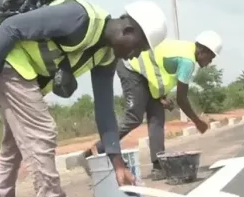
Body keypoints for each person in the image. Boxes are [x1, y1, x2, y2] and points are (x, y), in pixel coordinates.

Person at [0, 0, 167, 197]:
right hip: (4, 60)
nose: (134, 56)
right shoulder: (79, 17)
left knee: (15, 145)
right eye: (138, 47)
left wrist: (117, 164)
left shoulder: (105, 55)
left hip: (18, 70)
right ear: (127, 29)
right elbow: (11, 27)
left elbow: (104, 111)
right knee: (41, 132)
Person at [92, 31, 222, 180]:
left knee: (157, 117)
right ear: (202, 50)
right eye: (210, 58)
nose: (209, 63)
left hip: (147, 76)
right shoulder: (188, 61)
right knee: (134, 116)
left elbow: (157, 67)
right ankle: (100, 147)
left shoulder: (185, 49)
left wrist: (161, 96)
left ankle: (158, 166)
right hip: (132, 67)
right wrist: (198, 122)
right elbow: (181, 99)